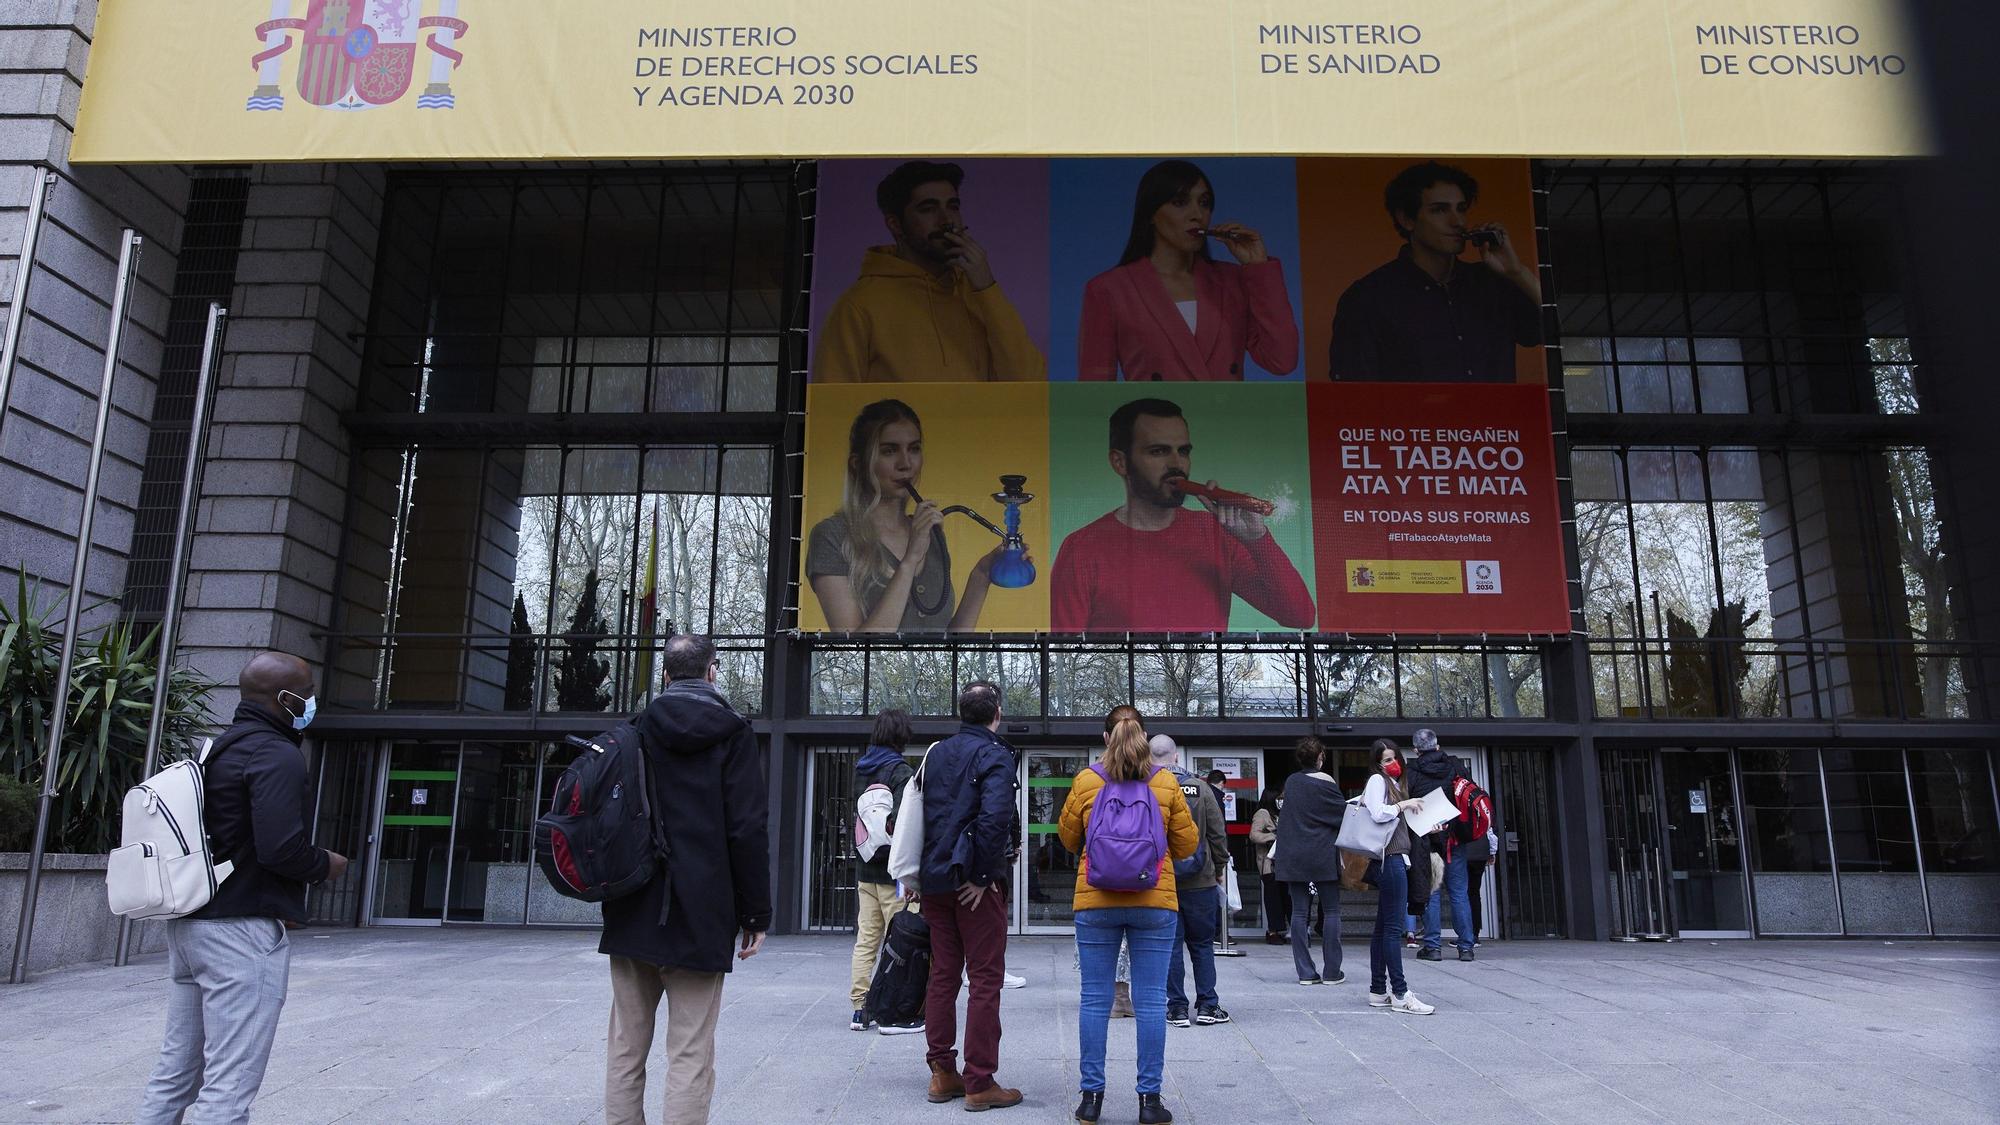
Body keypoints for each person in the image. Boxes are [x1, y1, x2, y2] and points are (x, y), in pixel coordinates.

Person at [136, 651, 346, 1125]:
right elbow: (280, 849)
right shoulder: (277, 754)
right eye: (308, 693)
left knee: (175, 1075)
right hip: (241, 932)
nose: (312, 701)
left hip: (193, 926)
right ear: (286, 698)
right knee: (228, 1086)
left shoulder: (219, 750)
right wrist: (324, 865)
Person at [601, 634, 770, 1125]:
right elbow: (747, 829)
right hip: (703, 912)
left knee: (625, 1049)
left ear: (666, 677)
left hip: (632, 904)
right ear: (712, 672)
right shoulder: (735, 734)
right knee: (690, 1054)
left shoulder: (633, 730)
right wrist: (755, 912)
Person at [1050, 397, 1315, 631]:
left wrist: (1257, 539)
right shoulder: (1082, 548)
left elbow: (1300, 617)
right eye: (1158, 451)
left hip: (1206, 683)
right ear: (1120, 462)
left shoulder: (1217, 533)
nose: (1177, 464)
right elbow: (1063, 649)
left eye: (1183, 451)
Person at [1058, 709, 1197, 1125]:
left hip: (1096, 900)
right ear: (1145, 739)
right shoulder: (1166, 781)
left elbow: (1067, 838)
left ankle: (1091, 1100)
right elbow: (1187, 844)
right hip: (1154, 902)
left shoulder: (1087, 781)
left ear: (1107, 739)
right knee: (1152, 1000)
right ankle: (1150, 1102)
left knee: (1095, 999)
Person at [814, 160, 1045, 382]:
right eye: (928, 209)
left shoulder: (979, 294)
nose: (946, 221)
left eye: (953, 206)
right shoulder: (858, 305)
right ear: (895, 224)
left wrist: (986, 287)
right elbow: (833, 409)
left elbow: (1029, 383)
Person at [806, 399, 1019, 632]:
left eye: (914, 449)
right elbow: (854, 649)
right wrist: (910, 560)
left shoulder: (929, 533)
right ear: (858, 464)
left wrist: (982, 574)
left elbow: (948, 648)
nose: (905, 463)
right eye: (889, 451)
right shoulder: (831, 536)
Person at [1078, 159, 1299, 381]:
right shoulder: (1108, 290)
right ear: (1151, 213)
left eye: (1204, 202)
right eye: (1180, 202)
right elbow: (1094, 391)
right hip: (1156, 416)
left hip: (1228, 415)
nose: (1198, 214)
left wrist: (1258, 267)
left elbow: (1281, 361)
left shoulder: (1233, 280)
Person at [1327, 160, 1542, 382]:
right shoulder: (1368, 297)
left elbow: (1553, 333)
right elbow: (1353, 394)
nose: (1457, 221)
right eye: (1439, 210)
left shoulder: (1493, 283)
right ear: (1406, 219)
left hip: (1498, 418)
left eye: (1461, 208)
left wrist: (1517, 272)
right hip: (1414, 417)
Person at [918, 681, 1024, 1111]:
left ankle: (943, 1073)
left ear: (961, 711)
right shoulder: (996, 753)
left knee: (943, 974)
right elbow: (995, 816)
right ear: (996, 712)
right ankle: (980, 1081)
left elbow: (920, 812)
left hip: (935, 880)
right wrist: (982, 875)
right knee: (984, 979)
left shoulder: (936, 753)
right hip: (973, 883)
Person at [1152, 734, 1231, 1029]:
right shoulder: (1201, 788)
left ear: (1150, 759)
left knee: (1171, 947)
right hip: (1201, 881)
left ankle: (1177, 1009)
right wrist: (1219, 866)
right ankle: (1209, 1005)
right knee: (1201, 945)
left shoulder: (1148, 788)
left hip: (1162, 882)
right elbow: (1217, 833)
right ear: (1175, 757)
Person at [851, 708, 917, 1032]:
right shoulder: (901, 771)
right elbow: (907, 824)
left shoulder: (861, 769)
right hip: (893, 872)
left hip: (866, 870)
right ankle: (891, 1002)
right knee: (899, 941)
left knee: (867, 938)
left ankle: (858, 1007)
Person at [1360, 739, 1436, 1015]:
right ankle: (1401, 993)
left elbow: (1395, 823)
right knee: (1393, 930)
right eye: (1386, 759)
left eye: (1394, 758)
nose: (1393, 764)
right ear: (1377, 763)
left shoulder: (1392, 784)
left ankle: (1378, 990)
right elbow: (1379, 815)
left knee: (1383, 929)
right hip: (1389, 860)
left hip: (1394, 859)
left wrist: (1427, 825)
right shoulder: (1378, 782)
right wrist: (1405, 805)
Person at [1271, 738, 1345, 986]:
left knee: (1299, 912)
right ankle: (1332, 971)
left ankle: (1305, 972)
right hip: (1322, 853)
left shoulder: (1292, 782)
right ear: (1320, 758)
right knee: (1332, 910)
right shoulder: (1327, 784)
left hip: (1293, 855)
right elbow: (1341, 816)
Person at [1406, 728, 1478, 962]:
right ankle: (1466, 947)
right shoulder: (1455, 766)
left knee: (1432, 893)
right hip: (1454, 838)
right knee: (1459, 893)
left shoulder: (1412, 772)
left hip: (1428, 841)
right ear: (1437, 746)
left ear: (1416, 750)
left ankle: (1433, 947)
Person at [1248, 790, 1289, 945]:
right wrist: (1274, 836)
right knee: (1273, 900)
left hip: (1284, 864)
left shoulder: (1283, 813)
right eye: (1280, 798)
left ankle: (1282, 929)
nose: (1282, 801)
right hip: (1269, 865)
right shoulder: (1263, 813)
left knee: (1285, 898)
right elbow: (1254, 835)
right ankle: (1273, 931)